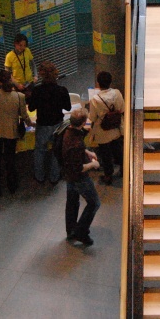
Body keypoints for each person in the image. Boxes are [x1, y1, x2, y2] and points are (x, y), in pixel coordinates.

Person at [0, 70, 33, 197]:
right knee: (10, 161)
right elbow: (24, 115)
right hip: (12, 133)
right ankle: (12, 185)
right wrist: (31, 124)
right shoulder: (19, 96)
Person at [26, 61, 71, 185]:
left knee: (40, 151)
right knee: (56, 151)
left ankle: (39, 176)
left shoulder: (37, 90)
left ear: (41, 74)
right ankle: (54, 177)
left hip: (42, 124)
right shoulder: (62, 90)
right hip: (58, 124)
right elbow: (67, 107)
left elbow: (30, 108)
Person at [61, 108, 101, 246]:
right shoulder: (77, 143)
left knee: (72, 202)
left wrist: (86, 152)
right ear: (83, 123)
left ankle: (71, 230)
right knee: (94, 203)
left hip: (68, 174)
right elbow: (80, 168)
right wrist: (93, 164)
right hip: (79, 178)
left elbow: (72, 150)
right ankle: (81, 231)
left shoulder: (67, 130)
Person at [87, 71, 125, 186]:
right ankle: (124, 170)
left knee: (106, 154)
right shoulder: (117, 93)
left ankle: (108, 175)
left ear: (98, 83)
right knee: (118, 150)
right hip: (116, 128)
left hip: (103, 132)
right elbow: (122, 109)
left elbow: (92, 117)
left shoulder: (95, 99)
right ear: (110, 81)